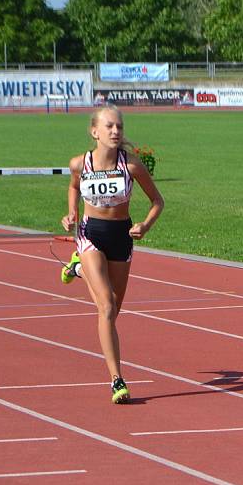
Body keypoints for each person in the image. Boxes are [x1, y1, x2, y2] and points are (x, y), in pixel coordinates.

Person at [59, 106, 164, 404]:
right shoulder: (80, 164)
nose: (116, 131)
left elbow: (158, 201)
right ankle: (117, 379)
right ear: (95, 131)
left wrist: (145, 225)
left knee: (114, 309)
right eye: (109, 126)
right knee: (105, 307)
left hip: (122, 236)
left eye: (119, 126)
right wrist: (71, 213)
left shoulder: (131, 166)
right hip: (91, 233)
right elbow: (73, 187)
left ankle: (78, 270)